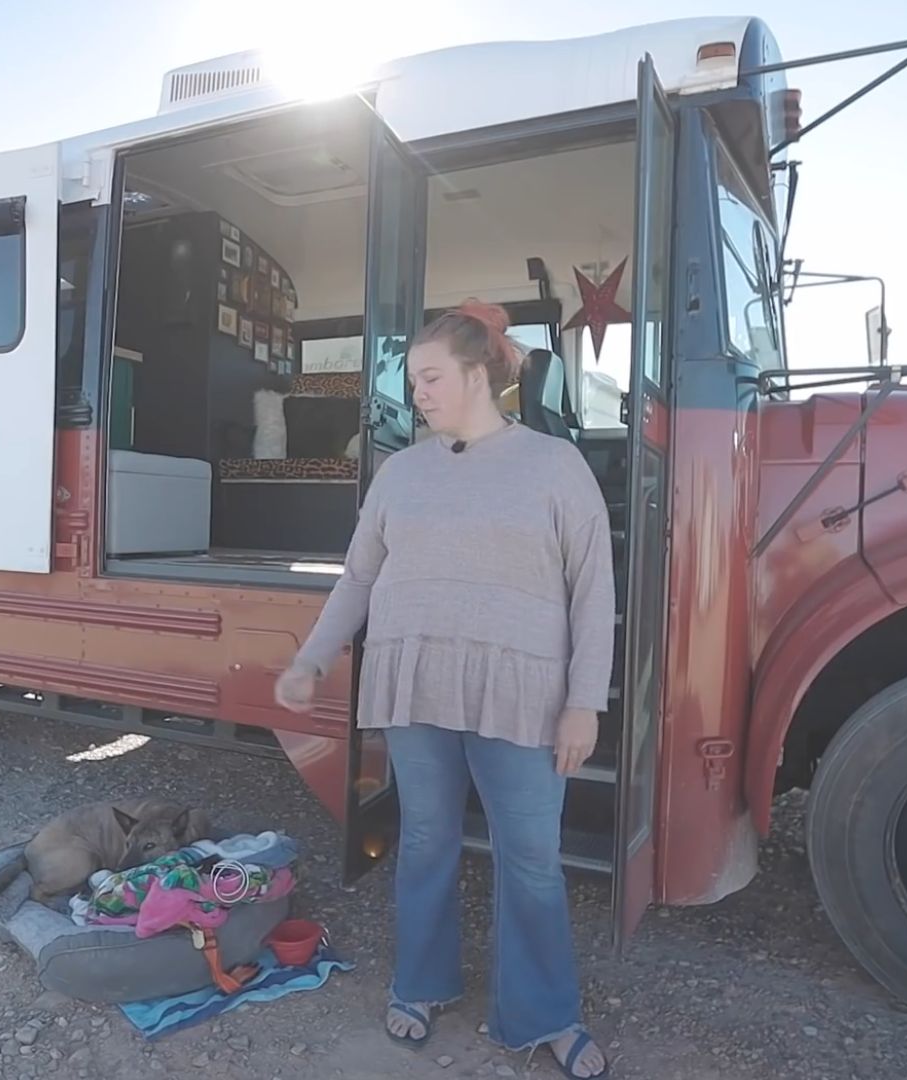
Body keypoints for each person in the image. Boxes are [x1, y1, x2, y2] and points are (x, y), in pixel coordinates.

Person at [274, 299, 616, 1079]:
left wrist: (583, 703)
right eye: (412, 378)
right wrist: (314, 658)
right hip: (416, 687)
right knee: (424, 842)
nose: (416, 392)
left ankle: (543, 1012)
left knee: (530, 859)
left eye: (429, 377)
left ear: (477, 373)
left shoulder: (555, 464)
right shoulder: (402, 471)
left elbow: (595, 592)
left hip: (523, 695)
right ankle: (421, 984)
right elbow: (360, 576)